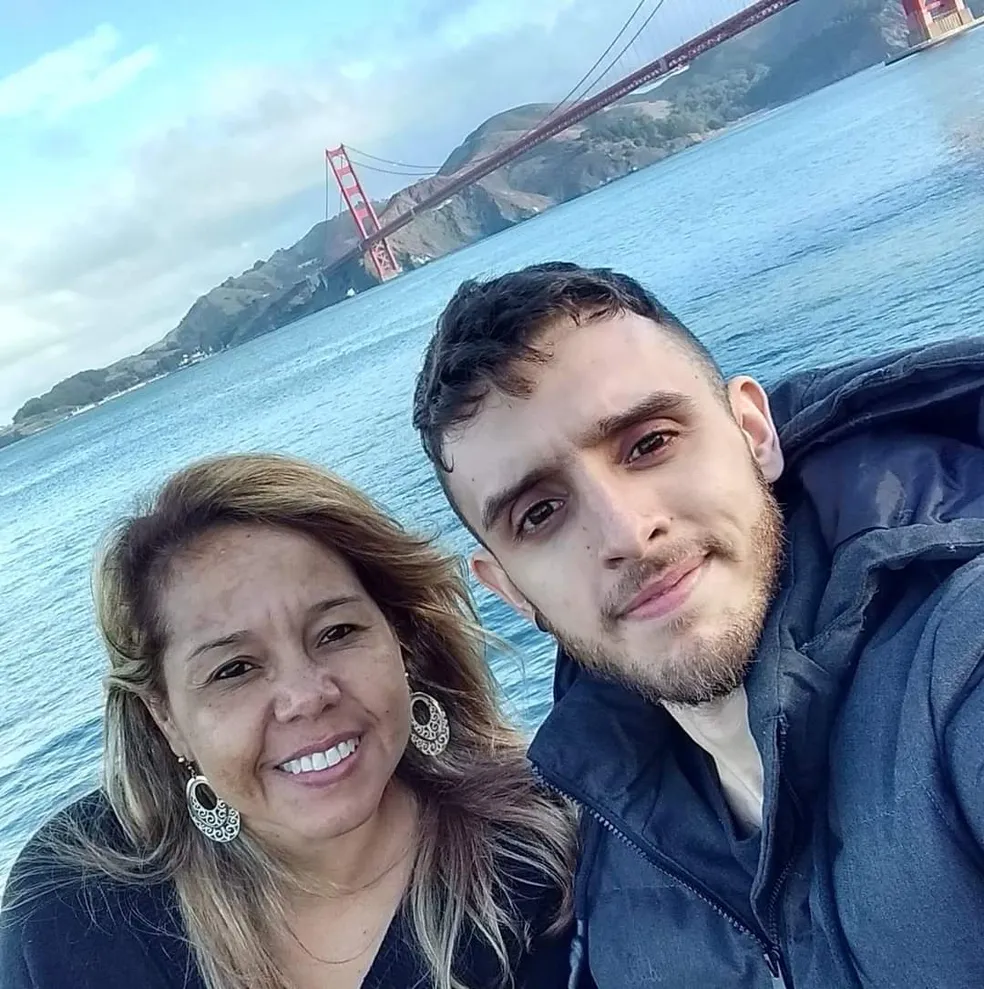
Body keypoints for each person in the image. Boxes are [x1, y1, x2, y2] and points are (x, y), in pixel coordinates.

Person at [411, 261, 984, 989]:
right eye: (541, 513)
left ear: (754, 431)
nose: (626, 531)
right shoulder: (610, 859)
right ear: (511, 591)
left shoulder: (960, 658)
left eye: (649, 443)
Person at [0, 454, 578, 989]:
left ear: (401, 641)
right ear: (166, 717)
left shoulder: (548, 862)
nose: (306, 697)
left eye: (336, 632)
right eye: (234, 669)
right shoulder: (70, 914)